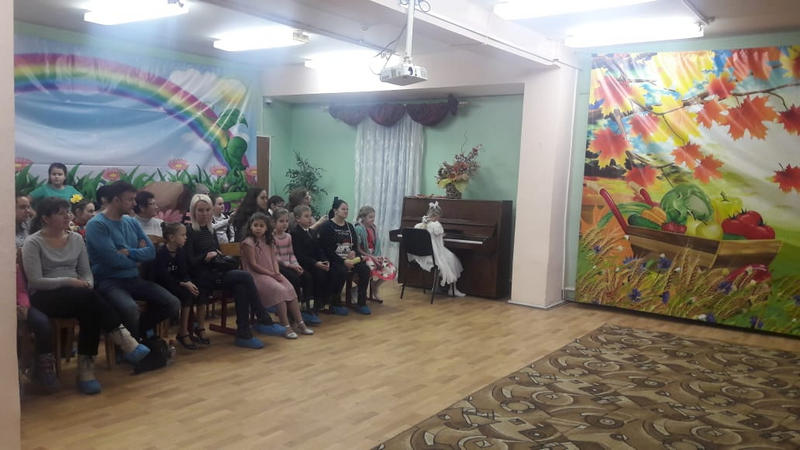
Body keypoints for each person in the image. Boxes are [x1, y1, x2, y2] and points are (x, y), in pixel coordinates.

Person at [22, 197, 151, 394]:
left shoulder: (76, 239)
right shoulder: (33, 242)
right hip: (45, 296)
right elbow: (35, 281)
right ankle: (117, 346)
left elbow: (85, 271)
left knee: (90, 309)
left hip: (77, 295)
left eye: (68, 212)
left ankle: (88, 368)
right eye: (61, 213)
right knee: (89, 301)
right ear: (46, 218)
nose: (67, 216)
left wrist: (87, 283)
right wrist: (69, 281)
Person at [184, 194, 285, 349]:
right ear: (193, 211)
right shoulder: (189, 231)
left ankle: (244, 334)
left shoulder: (210, 230)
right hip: (201, 277)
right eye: (200, 210)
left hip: (216, 272)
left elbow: (216, 252)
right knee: (245, 276)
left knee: (241, 287)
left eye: (207, 210)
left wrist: (217, 255)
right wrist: (205, 257)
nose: (204, 214)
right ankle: (263, 318)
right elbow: (189, 261)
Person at [85, 181, 181, 339]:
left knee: (173, 303)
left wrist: (129, 252)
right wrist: (136, 260)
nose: (134, 204)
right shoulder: (96, 224)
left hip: (134, 279)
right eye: (130, 200)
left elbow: (151, 252)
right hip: (109, 281)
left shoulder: (131, 221)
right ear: (116, 200)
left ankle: (139, 337)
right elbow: (113, 259)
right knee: (130, 309)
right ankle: (138, 343)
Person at [240, 212, 314, 339]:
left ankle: (301, 323)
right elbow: (253, 265)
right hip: (256, 275)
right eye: (255, 225)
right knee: (279, 290)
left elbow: (274, 259)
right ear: (250, 226)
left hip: (272, 273)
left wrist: (277, 273)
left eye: (261, 226)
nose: (258, 228)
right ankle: (286, 326)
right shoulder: (248, 242)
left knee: (290, 288)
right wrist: (271, 274)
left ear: (266, 228)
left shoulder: (269, 240)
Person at [154, 222, 207, 350]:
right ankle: (183, 332)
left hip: (177, 283)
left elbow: (184, 272)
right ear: (172, 237)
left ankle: (191, 329)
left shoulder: (181, 251)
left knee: (197, 290)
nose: (186, 237)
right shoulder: (162, 253)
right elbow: (163, 277)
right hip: (163, 285)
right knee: (186, 294)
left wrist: (189, 282)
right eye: (183, 235)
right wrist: (183, 283)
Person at [318, 198, 371, 315]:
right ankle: (335, 303)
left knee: (365, 270)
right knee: (341, 270)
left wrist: (353, 253)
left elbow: (354, 246)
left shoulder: (350, 226)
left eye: (347, 209)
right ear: (335, 210)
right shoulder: (327, 226)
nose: (346, 211)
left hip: (349, 259)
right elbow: (327, 250)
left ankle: (361, 303)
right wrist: (343, 261)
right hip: (333, 259)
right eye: (343, 209)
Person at [273, 208, 320, 325]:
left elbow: (291, 254)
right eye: (281, 221)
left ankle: (306, 308)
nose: (284, 224)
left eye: (286, 221)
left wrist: (297, 265)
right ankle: (293, 311)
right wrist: (291, 266)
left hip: (290, 265)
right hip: (278, 266)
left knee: (307, 276)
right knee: (294, 279)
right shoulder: (272, 237)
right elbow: (276, 257)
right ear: (274, 222)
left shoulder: (288, 236)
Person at [412, 201, 466, 297]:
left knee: (448, 258)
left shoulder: (419, 225)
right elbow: (440, 241)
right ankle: (452, 289)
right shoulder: (436, 225)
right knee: (452, 259)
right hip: (434, 255)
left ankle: (436, 287)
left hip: (422, 255)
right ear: (437, 216)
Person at [291, 205, 332, 322]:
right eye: (306, 216)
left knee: (324, 273)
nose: (310, 219)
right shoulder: (295, 233)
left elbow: (319, 249)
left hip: (314, 263)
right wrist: (315, 263)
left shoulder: (312, 232)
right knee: (308, 277)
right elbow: (299, 254)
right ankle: (306, 307)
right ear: (298, 219)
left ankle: (319, 303)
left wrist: (324, 260)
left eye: (310, 216)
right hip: (301, 264)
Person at [354, 205, 394, 302]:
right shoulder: (359, 229)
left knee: (391, 268)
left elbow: (376, 245)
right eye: (370, 217)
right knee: (370, 269)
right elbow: (358, 249)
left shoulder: (374, 228)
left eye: (374, 217)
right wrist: (371, 257)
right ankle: (355, 289)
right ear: (363, 218)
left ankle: (375, 285)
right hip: (364, 256)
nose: (373, 219)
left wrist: (377, 257)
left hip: (374, 255)